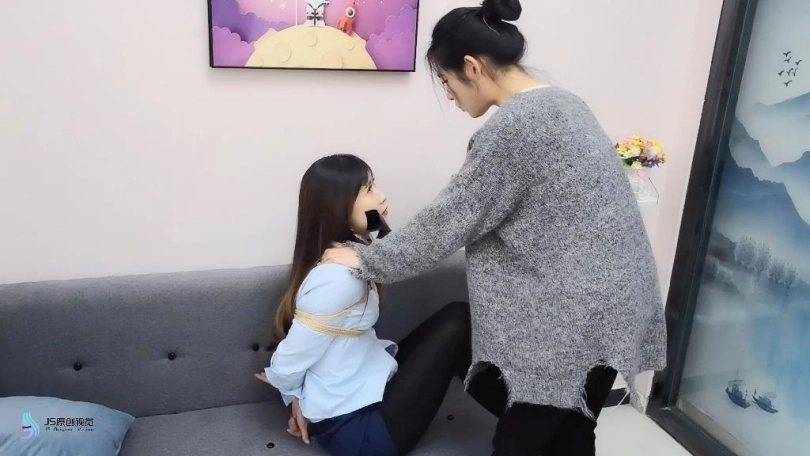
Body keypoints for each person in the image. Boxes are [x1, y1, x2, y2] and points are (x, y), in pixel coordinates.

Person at [320, 0, 668, 455]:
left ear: (472, 67)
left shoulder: (514, 128)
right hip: (620, 307)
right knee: (571, 433)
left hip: (571, 324)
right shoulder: (566, 103)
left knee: (523, 441)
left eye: (447, 81)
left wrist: (365, 257)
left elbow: (447, 222)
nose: (449, 95)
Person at [255, 154, 471, 456]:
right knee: (457, 322)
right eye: (369, 189)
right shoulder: (337, 277)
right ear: (338, 205)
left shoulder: (350, 255)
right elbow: (293, 355)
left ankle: (527, 420)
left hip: (367, 390)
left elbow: (396, 247)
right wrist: (292, 394)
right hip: (361, 432)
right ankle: (526, 428)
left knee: (456, 318)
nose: (382, 196)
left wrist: (297, 396)